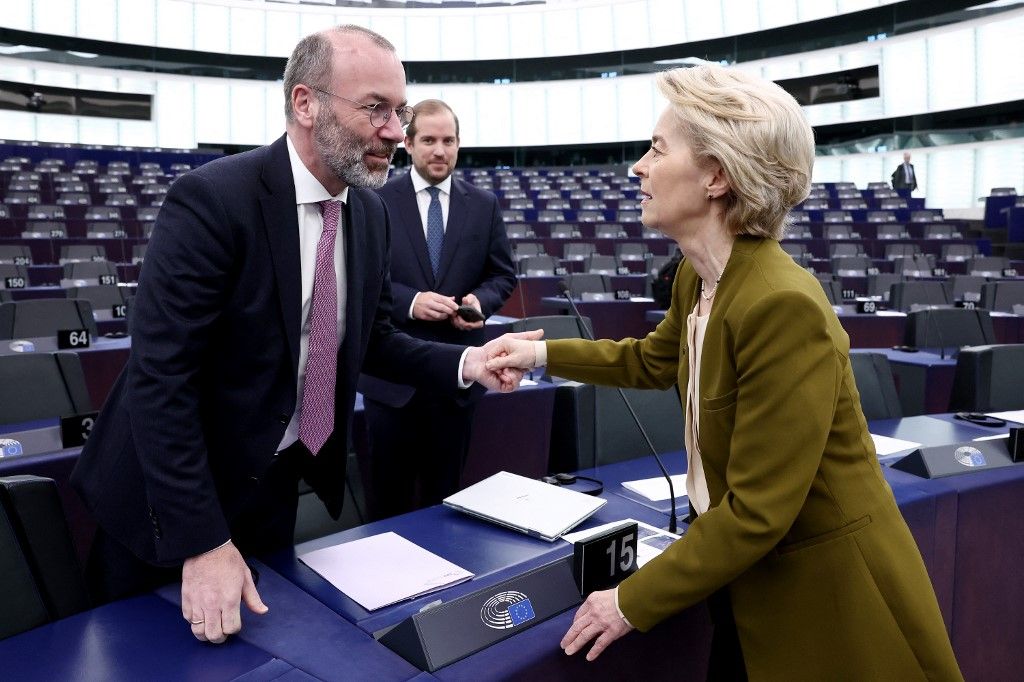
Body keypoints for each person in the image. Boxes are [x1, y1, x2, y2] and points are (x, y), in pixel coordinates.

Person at [486, 65, 962, 679]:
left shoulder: (780, 304)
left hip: (824, 597)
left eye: (657, 150)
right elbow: (653, 359)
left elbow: (760, 512)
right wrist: (541, 354)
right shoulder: (699, 275)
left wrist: (629, 601)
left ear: (715, 175)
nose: (638, 167)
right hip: (744, 579)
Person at [71, 25, 535, 645]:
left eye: (399, 110)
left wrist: (466, 364)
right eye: (375, 108)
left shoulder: (368, 214)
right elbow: (162, 381)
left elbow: (369, 342)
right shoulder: (211, 200)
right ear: (305, 103)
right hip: (168, 503)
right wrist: (203, 539)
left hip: (272, 490)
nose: (396, 131)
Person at [359, 99, 516, 518]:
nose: (439, 150)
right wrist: (410, 301)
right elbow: (359, 278)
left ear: (459, 144)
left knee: (443, 502)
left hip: (457, 384)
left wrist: (478, 301)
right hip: (391, 383)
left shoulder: (483, 205)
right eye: (428, 140)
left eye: (448, 140)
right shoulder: (373, 199)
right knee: (386, 504)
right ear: (407, 144)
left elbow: (503, 275)